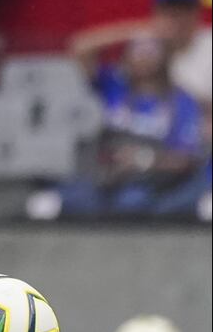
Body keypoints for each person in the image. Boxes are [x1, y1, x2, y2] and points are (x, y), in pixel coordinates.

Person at [61, 36, 204, 216]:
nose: (143, 57)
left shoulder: (181, 101)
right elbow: (81, 48)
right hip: (101, 177)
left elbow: (187, 160)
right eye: (137, 50)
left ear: (164, 57)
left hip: (148, 183)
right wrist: (140, 30)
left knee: (132, 202)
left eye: (151, 51)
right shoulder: (111, 84)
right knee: (74, 199)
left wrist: (142, 160)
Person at [70, 0, 212, 116]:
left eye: (183, 11)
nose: (177, 19)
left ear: (196, 13)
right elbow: (81, 47)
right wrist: (142, 29)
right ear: (156, 13)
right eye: (169, 13)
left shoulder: (208, 45)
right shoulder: (147, 45)